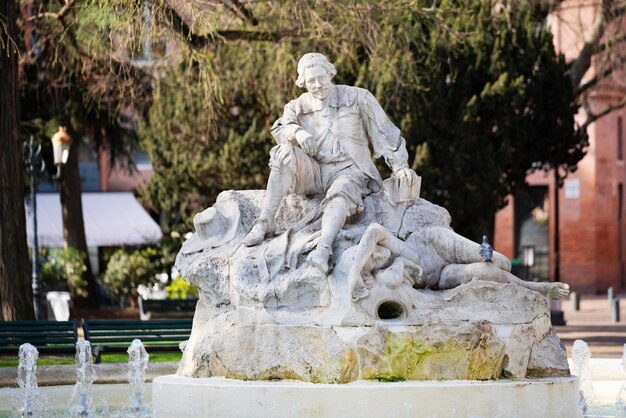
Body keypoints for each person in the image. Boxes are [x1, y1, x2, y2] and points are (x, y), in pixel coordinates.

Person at [243, 53, 418, 273]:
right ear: (302, 83)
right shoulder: (297, 107)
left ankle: (323, 248)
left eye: (320, 78)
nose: (317, 85)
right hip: (315, 172)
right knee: (283, 153)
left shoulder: (357, 98)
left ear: (330, 73)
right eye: (310, 82)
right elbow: (279, 129)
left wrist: (400, 166)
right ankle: (265, 222)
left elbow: (386, 134)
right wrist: (297, 133)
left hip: (350, 170)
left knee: (341, 189)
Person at [348, 223, 570, 302]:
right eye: (374, 262)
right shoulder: (384, 276)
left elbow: (375, 230)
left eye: (374, 253)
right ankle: (539, 288)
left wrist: (354, 275)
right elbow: (394, 279)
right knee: (487, 271)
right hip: (440, 276)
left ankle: (485, 251)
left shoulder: (392, 247)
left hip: (433, 243)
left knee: (503, 262)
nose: (378, 257)